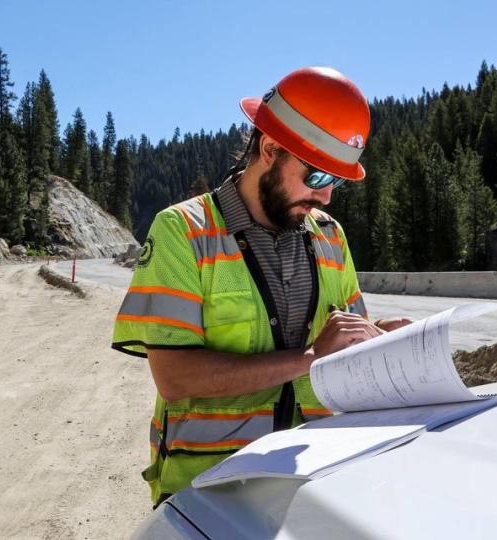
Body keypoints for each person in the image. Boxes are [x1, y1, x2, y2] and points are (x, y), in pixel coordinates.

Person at [111, 67, 412, 506]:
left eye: (337, 181)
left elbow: (337, 345)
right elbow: (173, 376)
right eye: (319, 177)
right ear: (271, 149)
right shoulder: (184, 231)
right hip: (208, 489)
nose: (327, 197)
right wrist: (307, 359)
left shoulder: (329, 235)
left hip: (313, 479)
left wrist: (379, 335)